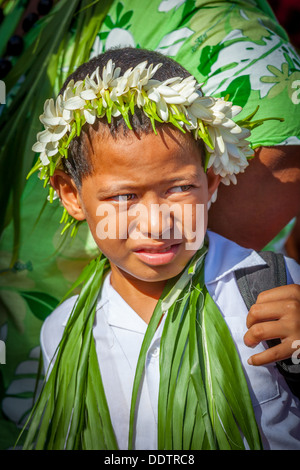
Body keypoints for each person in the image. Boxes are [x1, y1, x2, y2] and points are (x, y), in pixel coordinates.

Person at [18, 47, 300, 451]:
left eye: (180, 188)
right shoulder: (62, 335)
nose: (157, 222)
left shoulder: (276, 288)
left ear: (213, 181)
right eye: (124, 196)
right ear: (71, 194)